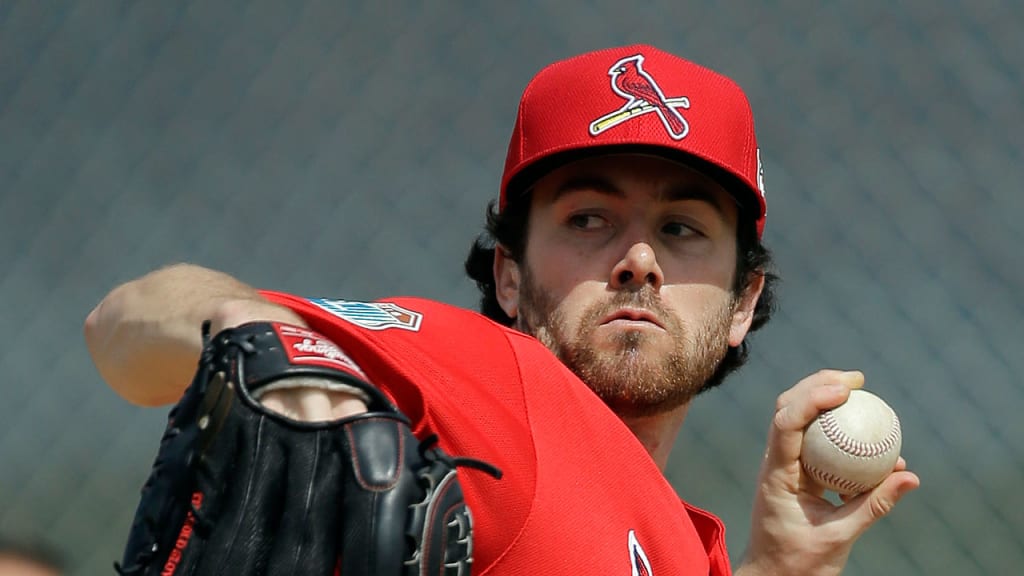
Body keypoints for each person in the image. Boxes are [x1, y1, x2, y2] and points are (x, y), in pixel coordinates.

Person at [84, 44, 919, 575]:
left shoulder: (687, 547)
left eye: (681, 228)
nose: (638, 260)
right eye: (588, 218)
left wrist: (779, 570)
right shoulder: (491, 380)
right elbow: (128, 317)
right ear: (510, 276)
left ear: (744, 302)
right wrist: (253, 336)